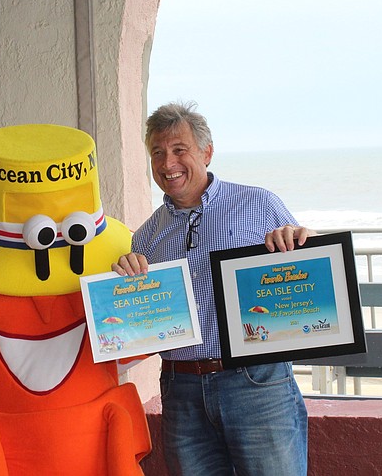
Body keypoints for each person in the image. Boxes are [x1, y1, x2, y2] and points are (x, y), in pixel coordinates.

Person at [113, 101, 310, 475]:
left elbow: (305, 269)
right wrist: (124, 279)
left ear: (207, 152)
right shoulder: (145, 238)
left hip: (256, 382)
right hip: (180, 387)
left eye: (179, 150)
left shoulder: (258, 204)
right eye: (158, 153)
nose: (167, 163)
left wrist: (300, 239)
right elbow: (134, 327)